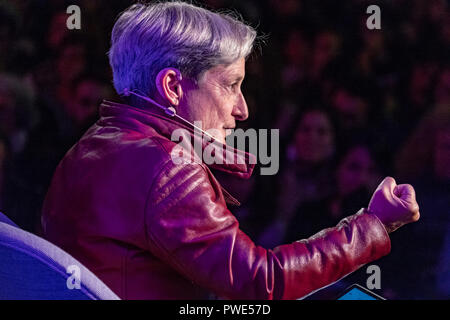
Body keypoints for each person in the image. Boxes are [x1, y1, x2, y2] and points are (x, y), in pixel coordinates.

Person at [41, 2, 420, 300]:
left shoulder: (90, 146)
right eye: (231, 85)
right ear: (173, 86)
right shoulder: (167, 167)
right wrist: (375, 225)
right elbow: (260, 283)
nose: (242, 109)